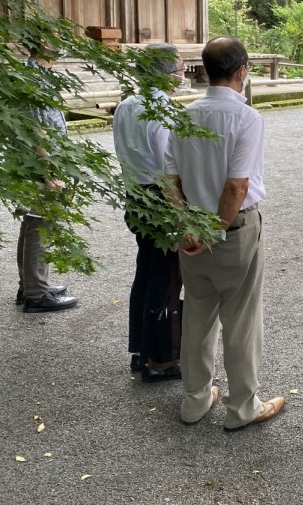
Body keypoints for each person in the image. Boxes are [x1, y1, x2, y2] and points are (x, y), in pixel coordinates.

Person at [165, 37, 284, 430]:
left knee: (197, 314)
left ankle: (194, 400)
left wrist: (189, 228)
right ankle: (242, 407)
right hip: (231, 230)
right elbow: (236, 187)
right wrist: (214, 232)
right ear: (241, 70)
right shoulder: (246, 118)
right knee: (241, 319)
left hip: (191, 233)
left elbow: (170, 180)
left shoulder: (183, 116)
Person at [113, 44, 185, 382]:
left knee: (146, 272)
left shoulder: (125, 105)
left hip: (135, 194)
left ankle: (140, 349)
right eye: (180, 69)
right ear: (168, 74)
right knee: (164, 278)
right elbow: (166, 164)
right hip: (158, 197)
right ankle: (161, 357)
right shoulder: (164, 108)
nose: (183, 74)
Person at [16, 42, 78, 313]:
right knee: (40, 226)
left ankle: (31, 284)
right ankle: (36, 293)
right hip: (42, 165)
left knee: (33, 223)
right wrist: (49, 171)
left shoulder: (39, 74)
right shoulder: (32, 78)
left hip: (45, 162)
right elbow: (36, 130)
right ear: (42, 44)